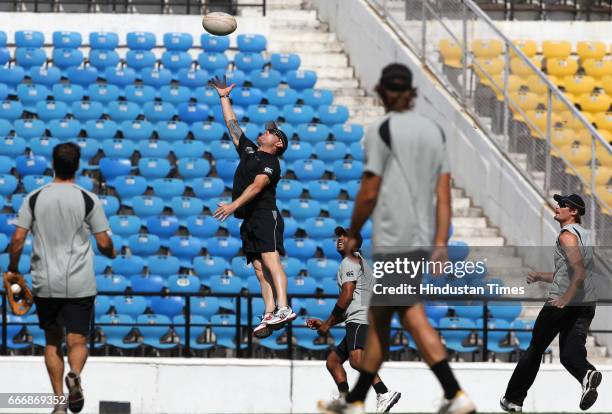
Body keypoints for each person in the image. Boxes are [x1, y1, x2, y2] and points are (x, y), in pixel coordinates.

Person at [318, 63, 475, 414]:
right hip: (419, 241)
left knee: (407, 317)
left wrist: (355, 229)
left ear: (384, 91)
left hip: (395, 238)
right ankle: (358, 399)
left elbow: (370, 190)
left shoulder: (382, 130)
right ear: (411, 91)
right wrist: (439, 242)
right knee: (385, 318)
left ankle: (455, 394)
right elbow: (444, 193)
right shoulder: (433, 131)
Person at [5, 143, 115, 414]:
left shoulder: (34, 197)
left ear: (53, 164)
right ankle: (75, 374)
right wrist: (111, 252)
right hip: (80, 282)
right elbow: (103, 242)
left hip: (45, 282)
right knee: (77, 341)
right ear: (77, 166)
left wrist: (13, 268)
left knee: (52, 341)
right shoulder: (88, 198)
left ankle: (58, 403)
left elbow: (18, 238)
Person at [209, 76, 296, 338]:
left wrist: (232, 205)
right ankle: (269, 311)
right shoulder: (249, 151)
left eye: (271, 132)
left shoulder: (272, 163)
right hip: (249, 219)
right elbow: (232, 125)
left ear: (277, 143)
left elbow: (258, 187)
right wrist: (224, 97)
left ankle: (284, 306)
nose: (265, 131)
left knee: (271, 260)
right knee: (259, 268)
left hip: (264, 216)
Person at [501, 193, 601, 413]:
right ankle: (587, 374)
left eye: (562, 205)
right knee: (568, 354)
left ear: (573, 211)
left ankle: (513, 399)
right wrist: (540, 276)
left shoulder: (567, 235)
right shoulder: (584, 235)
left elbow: (579, 271)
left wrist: (565, 297)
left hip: (564, 301)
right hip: (586, 303)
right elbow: (567, 271)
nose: (557, 206)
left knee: (536, 348)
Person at [307, 227, 401, 413]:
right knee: (333, 361)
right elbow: (351, 302)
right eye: (339, 236)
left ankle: (384, 392)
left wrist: (327, 324)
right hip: (363, 318)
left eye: (345, 236)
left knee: (356, 360)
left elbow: (347, 295)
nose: (340, 239)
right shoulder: (359, 261)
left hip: (361, 319)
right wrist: (327, 322)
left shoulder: (349, 261)